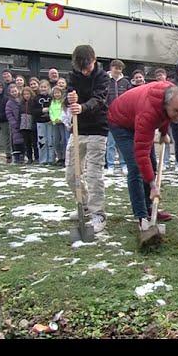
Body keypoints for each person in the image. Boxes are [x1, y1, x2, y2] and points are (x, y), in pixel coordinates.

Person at [108, 81, 178, 232]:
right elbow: (141, 153)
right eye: (176, 111)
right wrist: (153, 186)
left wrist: (163, 132)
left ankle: (149, 209)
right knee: (136, 167)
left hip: (137, 116)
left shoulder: (173, 95)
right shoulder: (148, 113)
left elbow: (165, 115)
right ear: (167, 105)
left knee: (152, 164)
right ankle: (141, 215)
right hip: (120, 122)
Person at [65, 45, 110, 234]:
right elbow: (67, 97)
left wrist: (82, 107)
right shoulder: (73, 75)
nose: (85, 71)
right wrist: (69, 98)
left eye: (88, 66)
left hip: (97, 130)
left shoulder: (102, 77)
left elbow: (99, 99)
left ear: (95, 59)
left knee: (93, 174)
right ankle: (83, 204)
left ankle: (98, 212)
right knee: (71, 173)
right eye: (81, 68)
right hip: (78, 130)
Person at [105, 59, 131, 175]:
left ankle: (123, 164)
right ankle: (110, 164)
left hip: (122, 116)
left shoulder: (125, 82)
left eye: (120, 68)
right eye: (116, 68)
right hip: (110, 116)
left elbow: (129, 97)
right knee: (110, 143)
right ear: (111, 68)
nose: (117, 70)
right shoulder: (106, 81)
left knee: (122, 143)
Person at [5, 84, 25, 164]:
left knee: (23, 141)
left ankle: (23, 156)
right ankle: (16, 157)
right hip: (15, 126)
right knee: (16, 141)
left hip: (23, 124)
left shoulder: (22, 100)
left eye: (15, 91)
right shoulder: (9, 103)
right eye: (12, 92)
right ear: (10, 93)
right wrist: (14, 124)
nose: (14, 93)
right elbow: (9, 114)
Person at [49, 86, 66, 166]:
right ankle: (59, 157)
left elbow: (64, 111)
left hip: (62, 123)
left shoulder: (63, 102)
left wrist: (60, 119)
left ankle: (65, 157)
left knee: (63, 140)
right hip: (55, 123)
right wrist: (53, 119)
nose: (57, 94)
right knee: (56, 141)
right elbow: (51, 111)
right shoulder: (52, 102)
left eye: (58, 93)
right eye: (55, 93)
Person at [19, 86, 35, 164]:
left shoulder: (33, 102)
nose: (26, 96)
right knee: (27, 143)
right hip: (23, 126)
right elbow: (19, 115)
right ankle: (29, 158)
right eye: (24, 94)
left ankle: (36, 157)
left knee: (34, 142)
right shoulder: (21, 103)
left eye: (28, 94)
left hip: (31, 125)